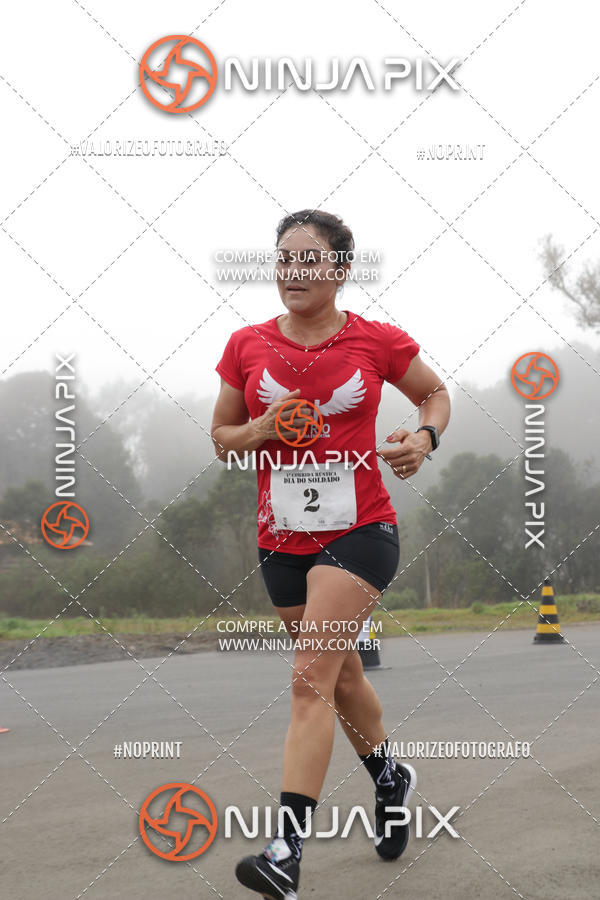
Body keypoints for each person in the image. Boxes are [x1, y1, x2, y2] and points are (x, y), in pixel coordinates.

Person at [211, 209, 451, 899]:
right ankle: (391, 778)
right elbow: (221, 436)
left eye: (309, 260)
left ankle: (284, 853)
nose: (293, 271)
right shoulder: (246, 344)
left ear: (342, 270)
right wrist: (257, 427)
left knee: (309, 679)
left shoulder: (376, 341)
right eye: (283, 258)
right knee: (340, 678)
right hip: (280, 541)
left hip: (360, 531)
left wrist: (424, 440)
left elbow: (434, 394)